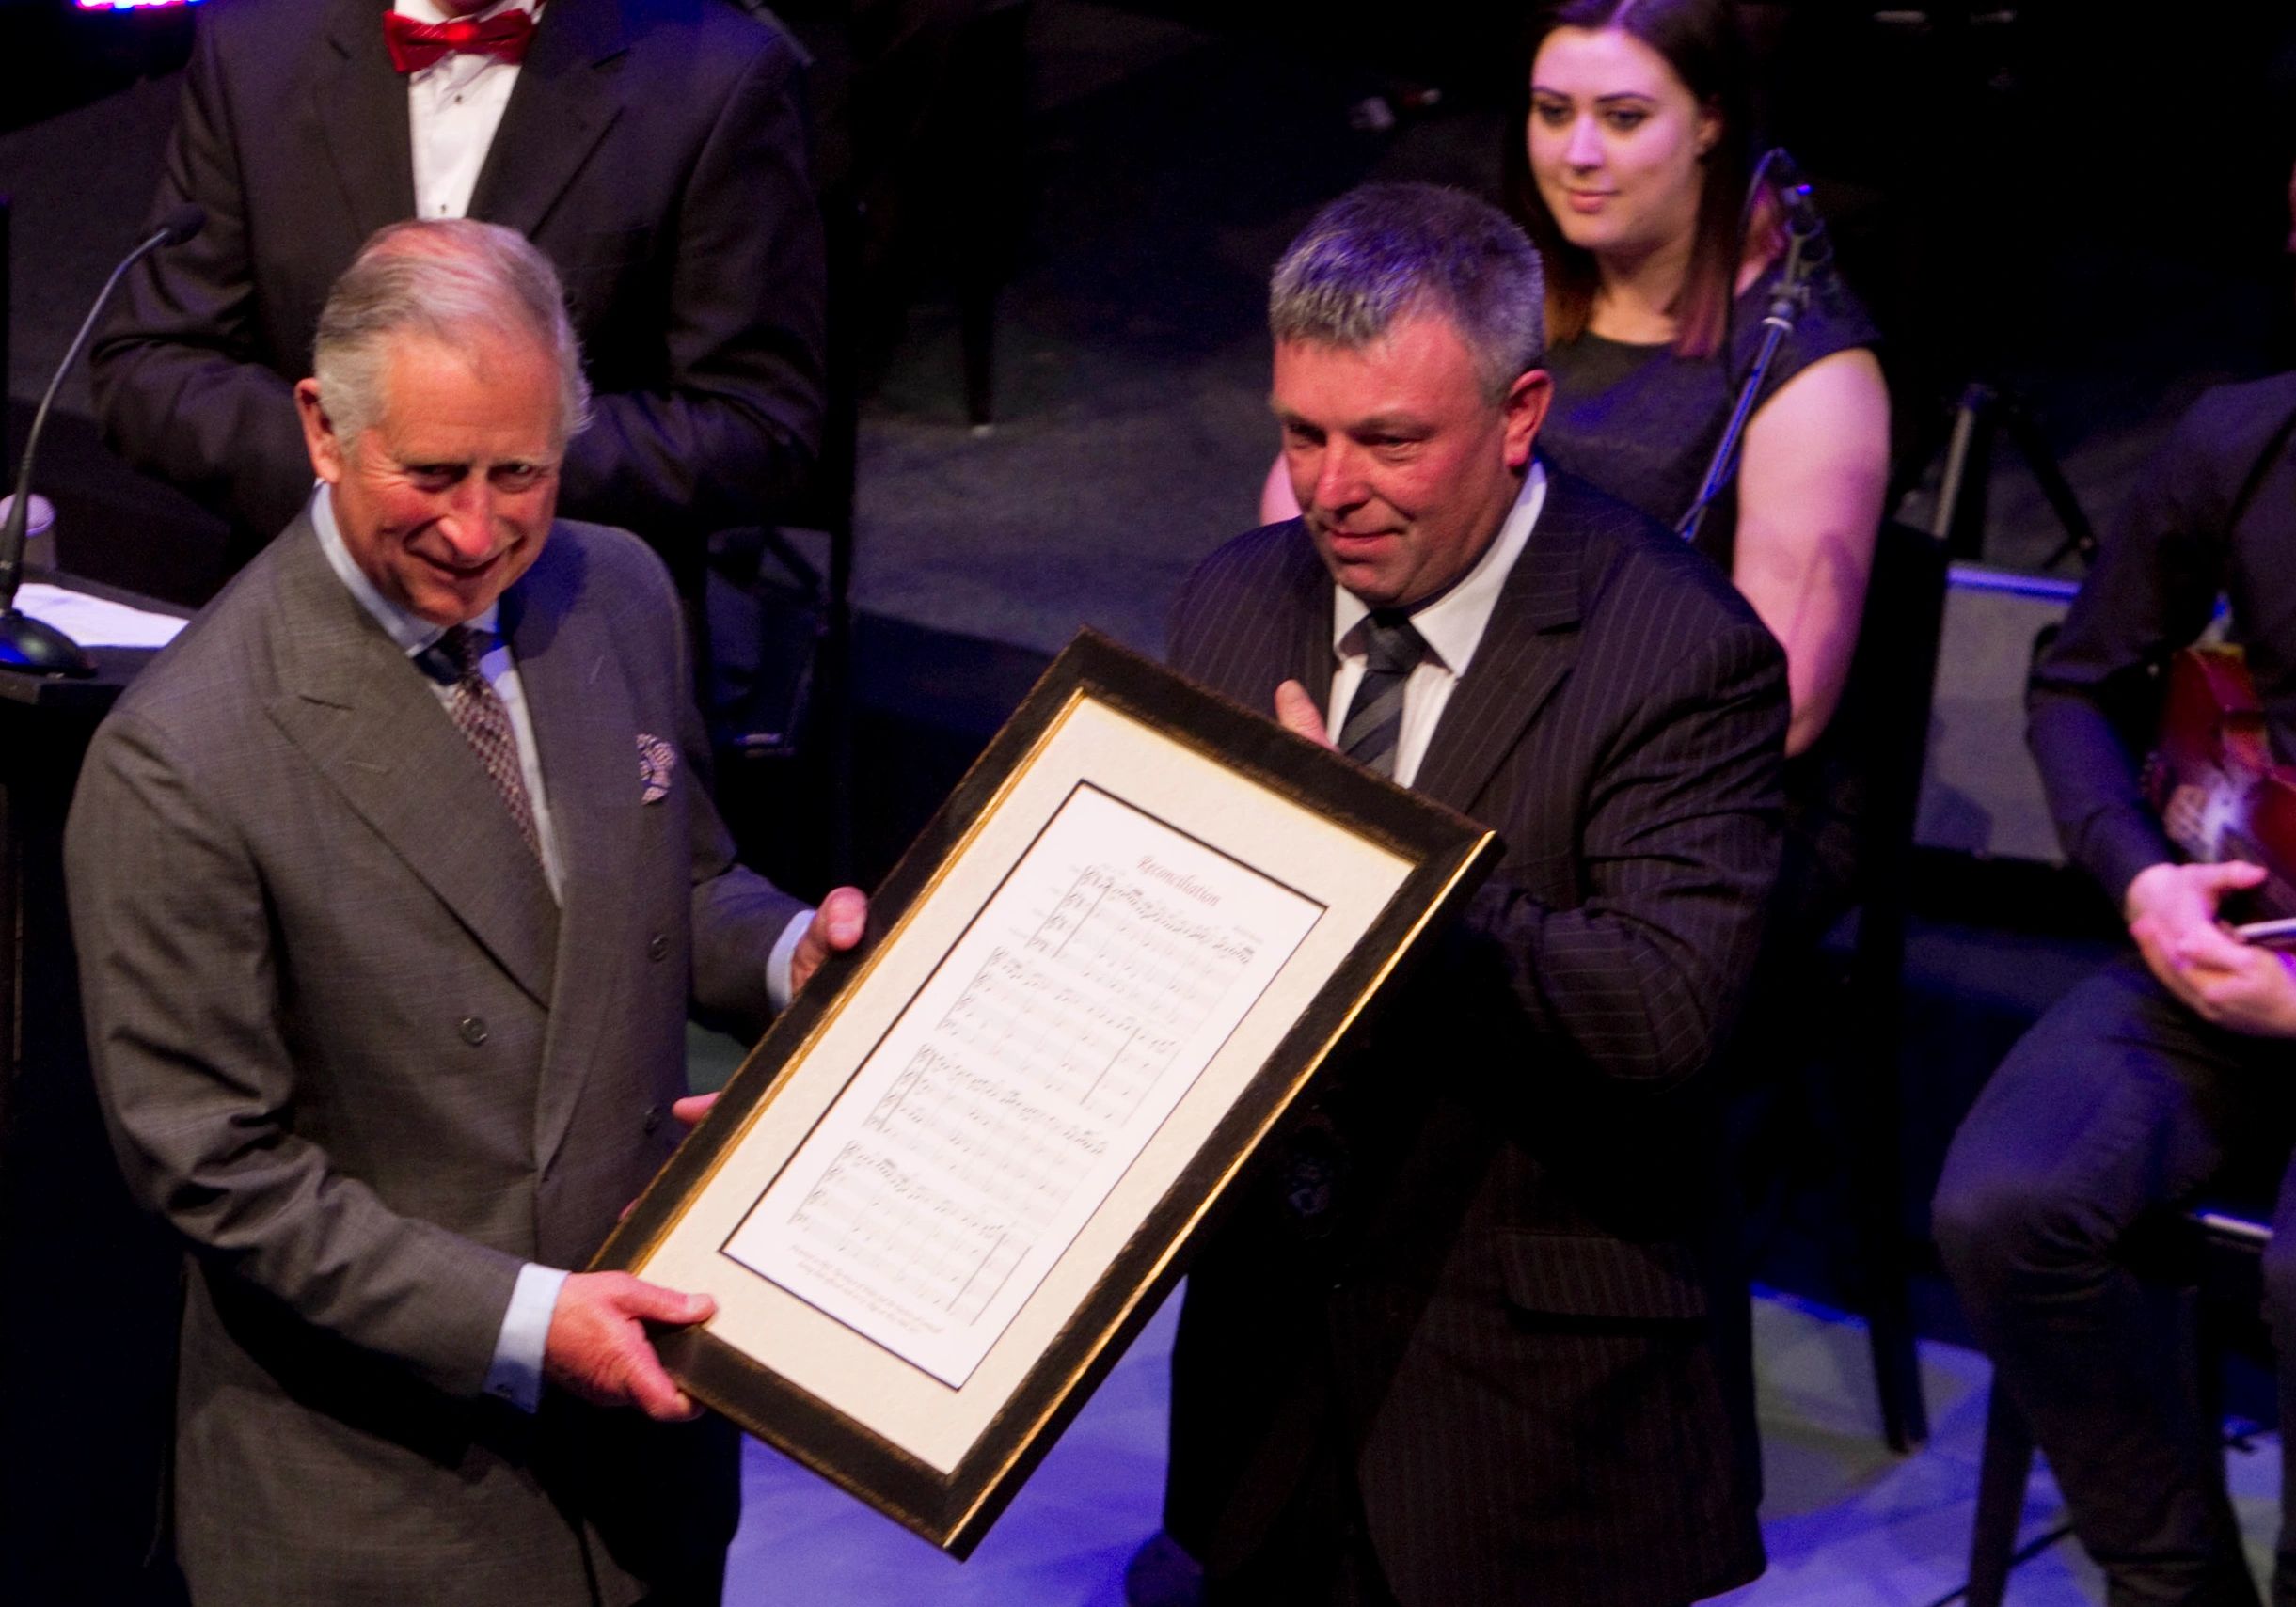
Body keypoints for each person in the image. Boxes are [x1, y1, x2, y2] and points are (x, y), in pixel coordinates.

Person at [66, 218, 863, 1606]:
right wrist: (531, 1320)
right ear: (322, 428)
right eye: (431, 475)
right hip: (384, 1512)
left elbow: (675, 882)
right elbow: (219, 1170)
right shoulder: (182, 752)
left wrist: (806, 957)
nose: (481, 531)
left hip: (645, 1478)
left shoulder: (616, 589)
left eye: (524, 473)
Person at [1162, 182, 1786, 1607]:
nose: (1331, 487)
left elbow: (1660, 1014)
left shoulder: (1680, 653)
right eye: (1300, 435)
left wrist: (1378, 869)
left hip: (1533, 1417)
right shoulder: (1234, 601)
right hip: (1268, 1393)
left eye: (1388, 441)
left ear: (1516, 417)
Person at [1932, 370, 2296, 1606]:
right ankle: (2175, 1586)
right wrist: (2143, 880)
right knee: (2008, 1204)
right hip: (2250, 935)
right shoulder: (2243, 434)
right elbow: (2081, 684)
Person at [87, 0, 823, 594]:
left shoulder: (715, 77)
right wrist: (354, 476)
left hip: (569, 622)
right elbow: (151, 363)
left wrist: (499, 476)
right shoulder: (253, 44)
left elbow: (757, 422)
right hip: (302, 605)